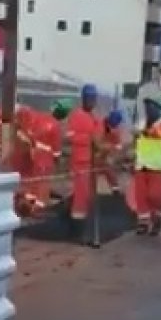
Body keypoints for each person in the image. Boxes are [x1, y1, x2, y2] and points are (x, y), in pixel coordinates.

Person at [65, 84, 104, 225]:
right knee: (79, 194)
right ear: (83, 98)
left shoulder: (96, 119)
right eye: (89, 98)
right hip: (79, 162)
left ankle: (85, 220)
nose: (91, 101)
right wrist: (88, 138)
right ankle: (76, 223)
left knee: (88, 195)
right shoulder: (76, 115)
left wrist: (100, 146)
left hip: (92, 163)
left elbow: (99, 140)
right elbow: (70, 136)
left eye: (93, 98)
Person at [133, 97, 161, 235]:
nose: (148, 111)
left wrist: (141, 131)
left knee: (156, 196)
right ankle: (143, 223)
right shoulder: (142, 123)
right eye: (146, 108)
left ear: (157, 110)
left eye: (150, 108)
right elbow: (136, 136)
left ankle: (157, 219)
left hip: (157, 166)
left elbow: (155, 134)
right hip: (142, 165)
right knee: (141, 196)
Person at [98, 109, 126, 194]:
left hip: (104, 157)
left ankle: (115, 189)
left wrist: (114, 149)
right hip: (94, 155)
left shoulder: (115, 131)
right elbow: (96, 140)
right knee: (88, 175)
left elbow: (118, 145)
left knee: (110, 171)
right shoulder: (99, 125)